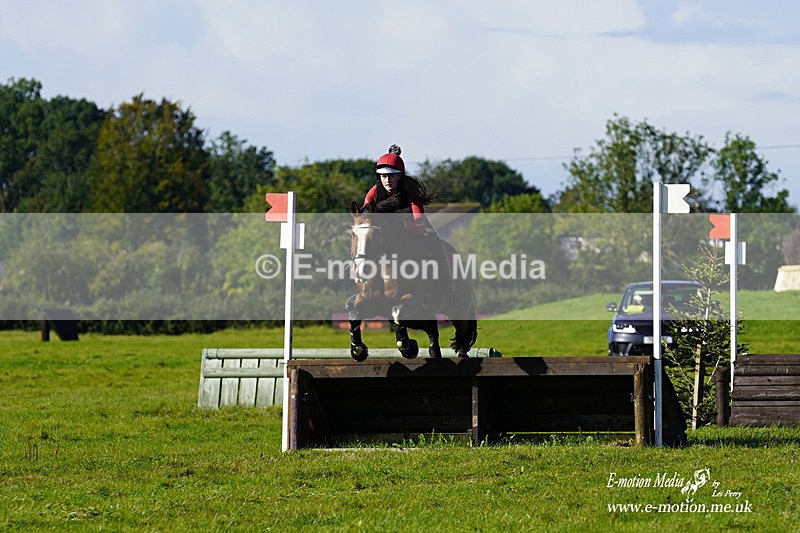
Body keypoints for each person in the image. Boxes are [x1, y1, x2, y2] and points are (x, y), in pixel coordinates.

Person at [362, 144, 436, 232]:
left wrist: (402, 225)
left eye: (392, 176)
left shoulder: (409, 190)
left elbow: (420, 224)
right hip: (385, 234)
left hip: (411, 230)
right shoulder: (374, 192)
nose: (388, 180)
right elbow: (364, 218)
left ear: (399, 176)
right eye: (384, 176)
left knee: (431, 236)